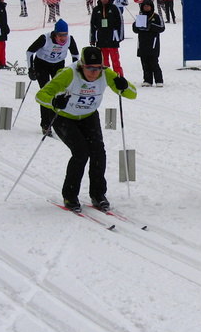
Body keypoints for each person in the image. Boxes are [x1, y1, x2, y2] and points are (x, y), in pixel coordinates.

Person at [35, 46, 137, 212]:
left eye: (98, 68)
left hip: (88, 116)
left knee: (98, 152)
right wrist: (54, 102)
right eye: (90, 68)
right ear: (82, 65)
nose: (94, 73)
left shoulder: (106, 73)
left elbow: (132, 94)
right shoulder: (68, 74)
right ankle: (70, 195)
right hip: (64, 117)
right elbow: (40, 96)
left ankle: (98, 194)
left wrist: (124, 86)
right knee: (81, 152)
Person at [27, 19, 80, 135]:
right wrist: (31, 69)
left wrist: (76, 71)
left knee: (59, 93)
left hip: (58, 65)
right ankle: (45, 124)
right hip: (42, 65)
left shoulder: (70, 40)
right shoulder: (44, 38)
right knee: (46, 92)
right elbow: (30, 51)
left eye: (65, 35)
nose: (63, 38)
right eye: (60, 35)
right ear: (55, 34)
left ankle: (58, 122)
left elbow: (76, 55)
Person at [133, 0, 165, 87]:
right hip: (142, 43)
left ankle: (159, 80)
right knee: (144, 63)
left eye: (148, 6)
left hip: (153, 44)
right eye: (145, 6)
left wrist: (150, 26)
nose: (146, 8)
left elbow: (162, 28)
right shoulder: (140, 16)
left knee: (154, 62)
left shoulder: (156, 16)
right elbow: (135, 30)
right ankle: (147, 80)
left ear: (151, 7)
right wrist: (136, 25)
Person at [90, 0, 123, 75]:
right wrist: (92, 39)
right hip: (101, 39)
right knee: (103, 62)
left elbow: (120, 22)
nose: (104, 0)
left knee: (115, 60)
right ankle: (105, 77)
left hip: (112, 39)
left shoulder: (114, 8)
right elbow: (92, 25)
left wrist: (120, 36)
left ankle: (119, 77)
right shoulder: (96, 9)